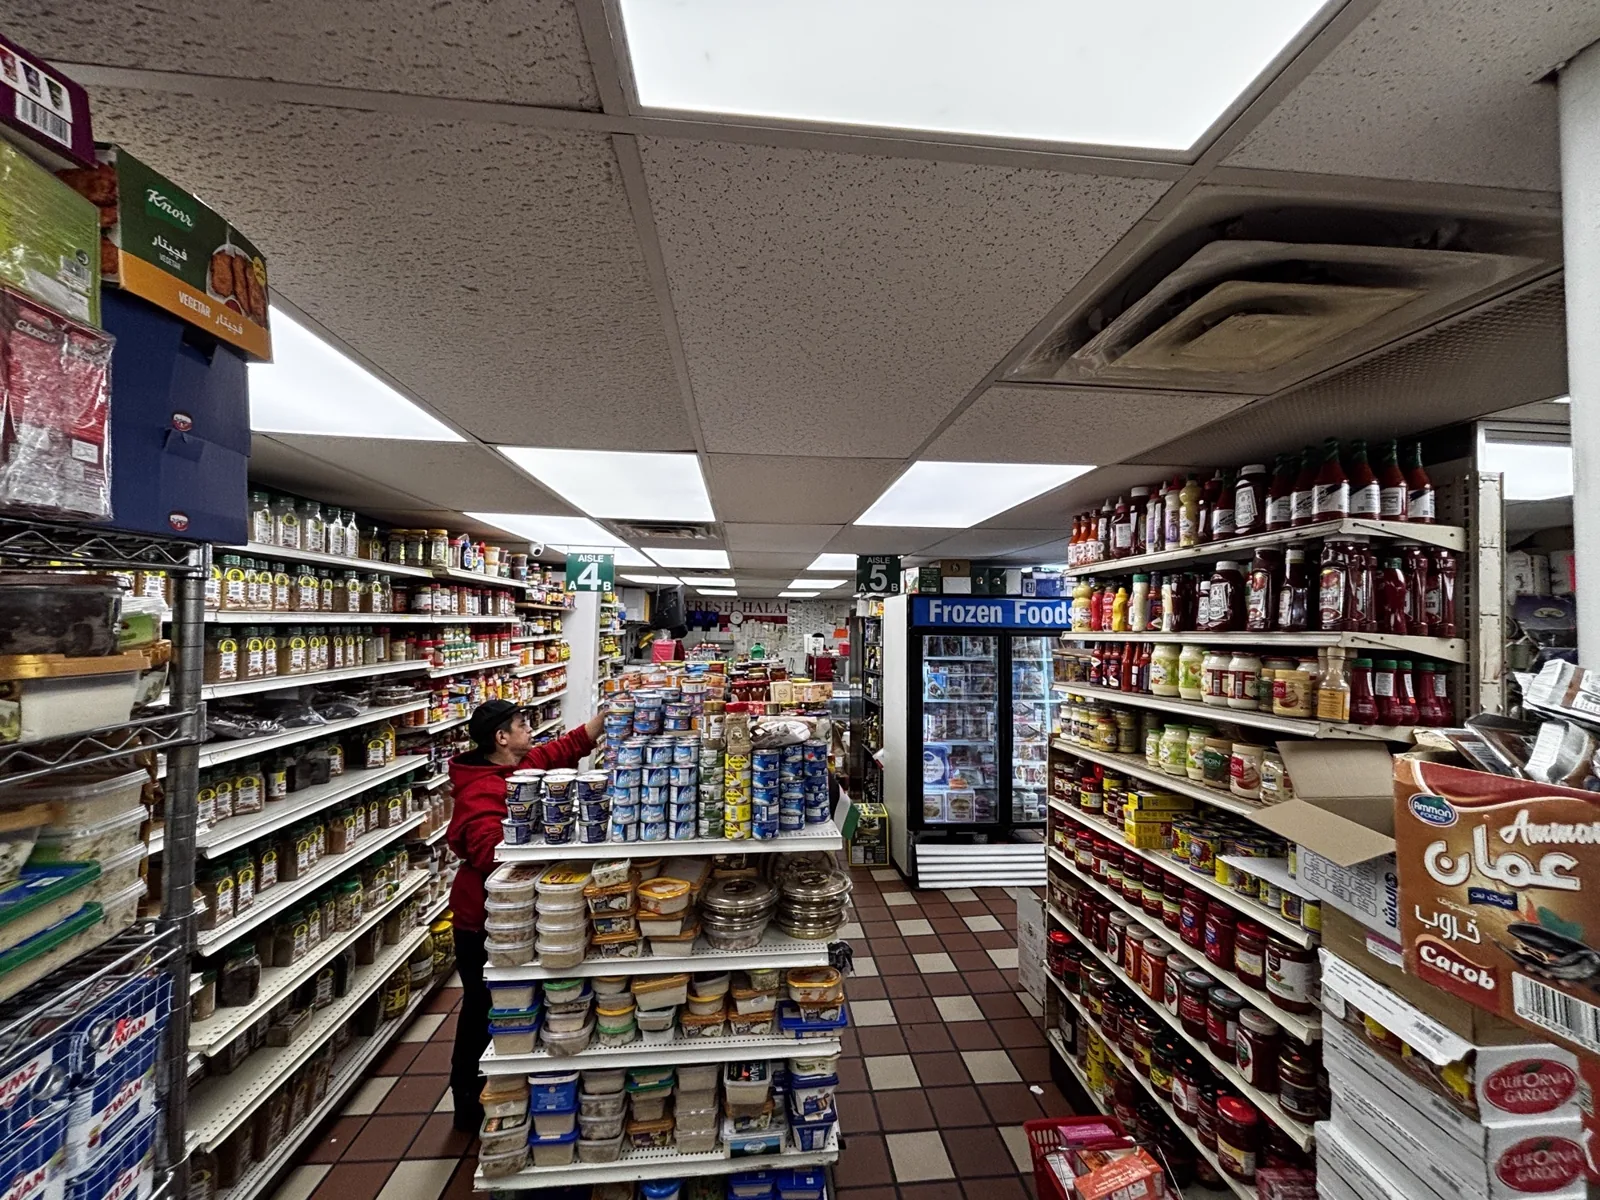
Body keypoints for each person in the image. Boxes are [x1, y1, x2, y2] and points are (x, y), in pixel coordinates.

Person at [446, 698, 605, 1130]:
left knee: (509, 1002)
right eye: (521, 724)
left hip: (511, 912)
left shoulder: (516, 768)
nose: (529, 730)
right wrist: (543, 840)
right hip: (482, 919)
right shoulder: (481, 789)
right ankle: (468, 1103)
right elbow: (488, 853)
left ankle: (515, 1086)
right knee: (482, 1008)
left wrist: (602, 722)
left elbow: (553, 753)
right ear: (501, 738)